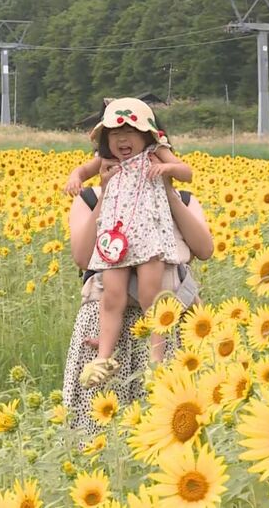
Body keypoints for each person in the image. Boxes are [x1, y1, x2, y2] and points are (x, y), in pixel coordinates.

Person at [62, 151, 213, 435]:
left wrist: (167, 192)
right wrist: (108, 193)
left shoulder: (186, 200)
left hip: (167, 329)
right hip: (105, 328)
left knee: (168, 429)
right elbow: (83, 258)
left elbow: (204, 250)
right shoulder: (89, 199)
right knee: (98, 429)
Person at [64, 98, 193, 388]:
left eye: (131, 131)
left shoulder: (155, 153)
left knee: (152, 296)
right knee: (112, 296)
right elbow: (82, 172)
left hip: (148, 235)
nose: (123, 139)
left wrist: (167, 170)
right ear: (105, 138)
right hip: (114, 237)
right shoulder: (106, 162)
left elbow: (187, 172)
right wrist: (74, 179)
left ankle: (156, 360)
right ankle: (103, 358)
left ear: (147, 134)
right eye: (114, 133)